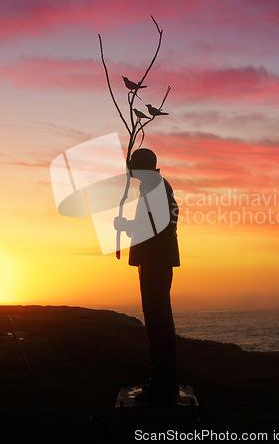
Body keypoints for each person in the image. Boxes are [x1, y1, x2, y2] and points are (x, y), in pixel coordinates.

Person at [114, 148, 180, 404]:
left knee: (159, 322)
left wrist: (129, 227)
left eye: (131, 164)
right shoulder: (152, 186)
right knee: (157, 322)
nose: (128, 169)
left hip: (156, 262)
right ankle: (160, 381)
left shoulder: (155, 188)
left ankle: (164, 386)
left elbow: (164, 224)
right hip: (154, 261)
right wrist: (130, 227)